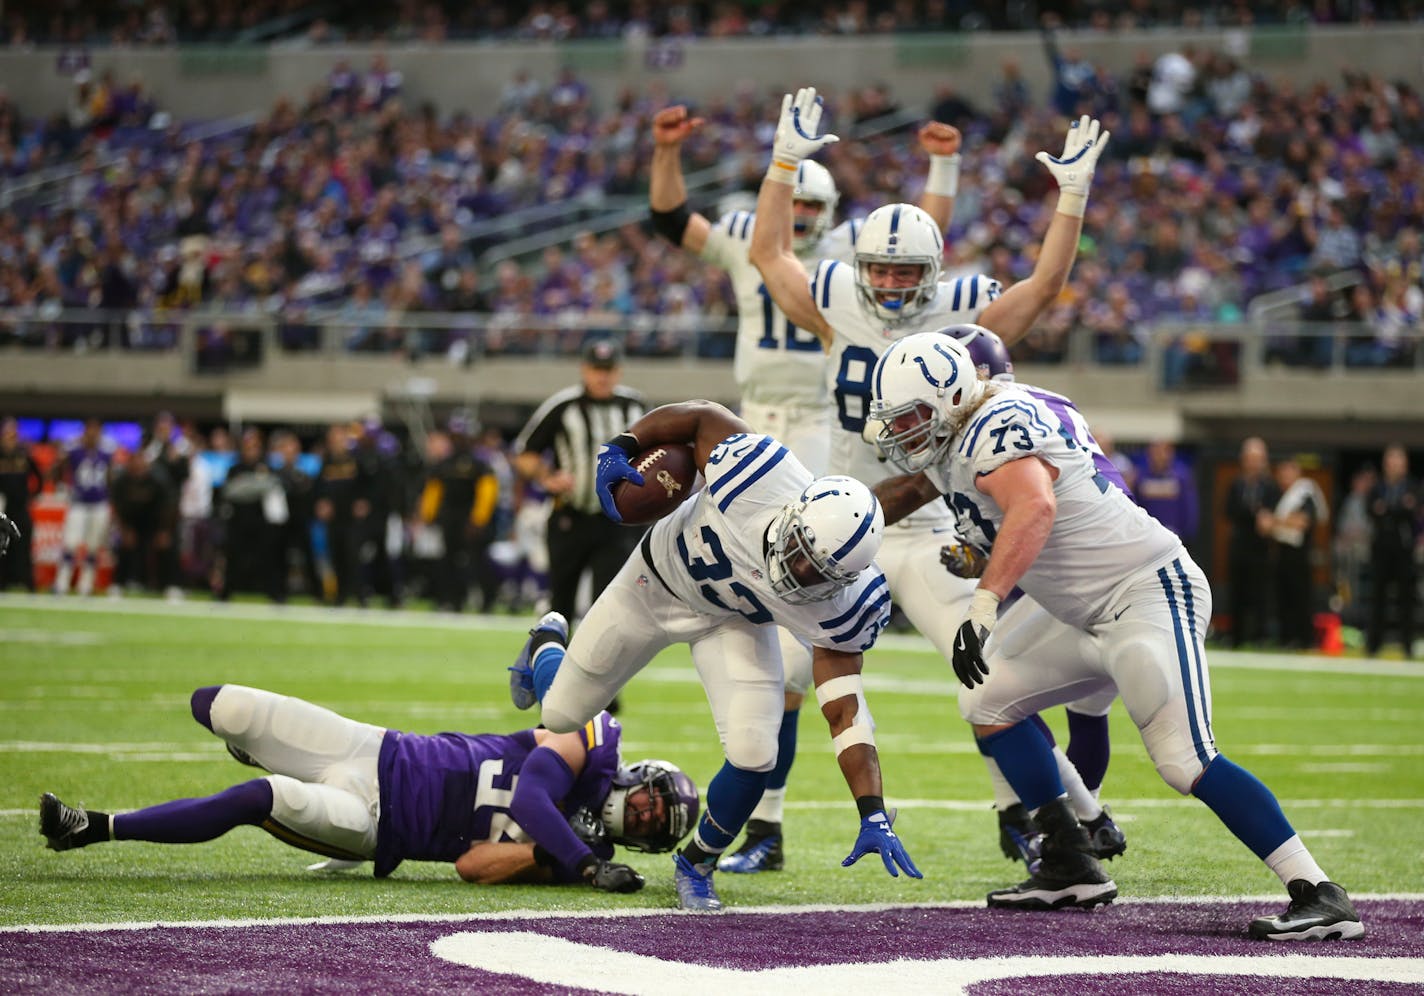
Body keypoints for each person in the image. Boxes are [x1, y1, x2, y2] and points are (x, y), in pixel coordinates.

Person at [865, 331, 1362, 940]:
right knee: (984, 698)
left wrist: (984, 603)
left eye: (913, 415)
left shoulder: (997, 422)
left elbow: (1036, 507)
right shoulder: (952, 441)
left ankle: (1318, 890)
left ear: (950, 396)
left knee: (1184, 761)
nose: (902, 431)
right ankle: (1070, 855)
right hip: (1077, 611)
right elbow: (967, 509)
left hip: (1145, 591)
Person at [749, 88, 1112, 862]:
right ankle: (766, 827)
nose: (885, 283)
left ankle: (1061, 815)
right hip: (850, 518)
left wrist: (1071, 198)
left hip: (931, 526)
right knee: (779, 672)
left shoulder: (963, 313)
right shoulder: (836, 295)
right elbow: (769, 254)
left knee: (992, 677)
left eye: (902, 270)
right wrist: (784, 162)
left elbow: (1043, 288)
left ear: (934, 269)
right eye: (875, 268)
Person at [647, 99, 962, 874]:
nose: (814, 218)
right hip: (751, 421)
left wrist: (940, 169)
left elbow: (918, 243)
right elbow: (672, 221)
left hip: (821, 429)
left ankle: (767, 815)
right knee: (732, 572)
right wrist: (690, 155)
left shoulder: (854, 259)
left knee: (802, 599)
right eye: (802, 204)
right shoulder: (759, 242)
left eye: (824, 205)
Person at [507, 399, 918, 912]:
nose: (800, 572)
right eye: (800, 551)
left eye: (819, 573)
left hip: (733, 621)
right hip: (654, 584)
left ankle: (697, 864)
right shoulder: (761, 474)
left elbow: (845, 713)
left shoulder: (846, 608)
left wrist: (872, 809)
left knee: (755, 754)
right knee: (559, 715)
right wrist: (623, 445)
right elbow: (701, 416)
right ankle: (547, 641)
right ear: (795, 513)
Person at [39, 683, 696, 891]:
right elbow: (528, 798)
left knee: (259, 800)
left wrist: (548, 855)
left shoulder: (578, 858)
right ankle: (262, 750)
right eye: (646, 802)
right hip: (378, 747)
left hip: (375, 824)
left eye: (648, 826)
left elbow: (472, 865)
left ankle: (92, 827)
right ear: (639, 776)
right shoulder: (590, 747)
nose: (637, 816)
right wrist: (580, 860)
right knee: (218, 706)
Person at [946, 326, 1125, 866]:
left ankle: (1084, 824)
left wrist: (983, 577)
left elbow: (1034, 513)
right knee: (1088, 709)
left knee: (996, 689)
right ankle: (1085, 822)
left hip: (1092, 577)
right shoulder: (1044, 403)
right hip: (1114, 562)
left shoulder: (993, 423)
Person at [512, 338, 645, 624]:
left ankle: (596, 668)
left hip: (618, 523)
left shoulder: (635, 406)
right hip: (569, 516)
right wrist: (547, 476)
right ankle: (553, 663)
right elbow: (524, 455)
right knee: (560, 601)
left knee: (608, 604)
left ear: (619, 371)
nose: (603, 376)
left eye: (608, 369)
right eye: (597, 369)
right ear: (584, 370)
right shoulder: (563, 406)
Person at [418, 414, 499, 612]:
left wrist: (478, 520)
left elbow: (487, 493)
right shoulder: (444, 463)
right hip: (449, 518)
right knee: (448, 561)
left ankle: (487, 601)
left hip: (469, 519)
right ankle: (452, 600)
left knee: (477, 562)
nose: (457, 439)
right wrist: (427, 515)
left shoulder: (479, 463)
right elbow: (433, 490)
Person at [1266, 457, 1329, 650]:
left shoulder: (1304, 493)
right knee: (1283, 598)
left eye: (1288, 471)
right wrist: (1282, 522)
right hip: (1282, 552)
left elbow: (1302, 522)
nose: (1285, 476)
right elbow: (1263, 524)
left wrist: (1276, 522)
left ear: (1297, 472)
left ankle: (1305, 639)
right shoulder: (1279, 495)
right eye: (1282, 472)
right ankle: (1286, 638)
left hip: (1300, 555)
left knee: (1301, 597)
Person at [1224, 437, 1281, 647]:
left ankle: (1260, 636)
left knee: (1260, 593)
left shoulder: (1270, 487)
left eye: (1257, 458)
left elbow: (1274, 515)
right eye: (1250, 458)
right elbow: (1229, 511)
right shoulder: (1236, 485)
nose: (1253, 463)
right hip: (1240, 546)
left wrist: (1265, 518)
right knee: (1237, 592)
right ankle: (1236, 636)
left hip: (1260, 547)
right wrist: (1253, 513)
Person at [52, 418, 115, 596]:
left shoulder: (107, 450)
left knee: (94, 546)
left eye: (96, 430)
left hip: (99, 503)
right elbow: (58, 469)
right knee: (70, 543)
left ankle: (86, 584)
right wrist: (61, 487)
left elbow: (110, 476)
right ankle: (62, 582)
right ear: (84, 431)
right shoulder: (73, 449)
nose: (93, 434)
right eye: (90, 430)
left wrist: (110, 496)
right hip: (78, 502)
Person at [1366, 444, 1419, 658]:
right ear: (1385, 465)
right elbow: (1372, 510)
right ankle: (1373, 645)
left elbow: (1411, 511)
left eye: (1399, 462)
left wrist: (1388, 509)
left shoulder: (1413, 486)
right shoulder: (1377, 487)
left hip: (1404, 549)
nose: (1394, 466)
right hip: (1381, 549)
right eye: (1391, 461)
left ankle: (1407, 645)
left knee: (1406, 599)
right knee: (1378, 597)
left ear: (1405, 465)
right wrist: (1397, 509)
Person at [0, 418, 41, 590]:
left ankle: (26, 582)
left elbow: (38, 477)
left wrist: (32, 495)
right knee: (2, 545)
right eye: (8, 434)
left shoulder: (23, 454)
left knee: (22, 544)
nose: (11, 438)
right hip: (2, 508)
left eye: (14, 434)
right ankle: (3, 581)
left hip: (20, 507)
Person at [1134, 440, 1199, 544]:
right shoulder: (1141, 477)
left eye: (1163, 451)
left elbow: (1189, 507)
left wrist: (1188, 534)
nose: (1159, 456)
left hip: (1175, 537)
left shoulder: (1181, 476)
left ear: (1170, 453)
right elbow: (1137, 506)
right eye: (1155, 452)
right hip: (1148, 537)